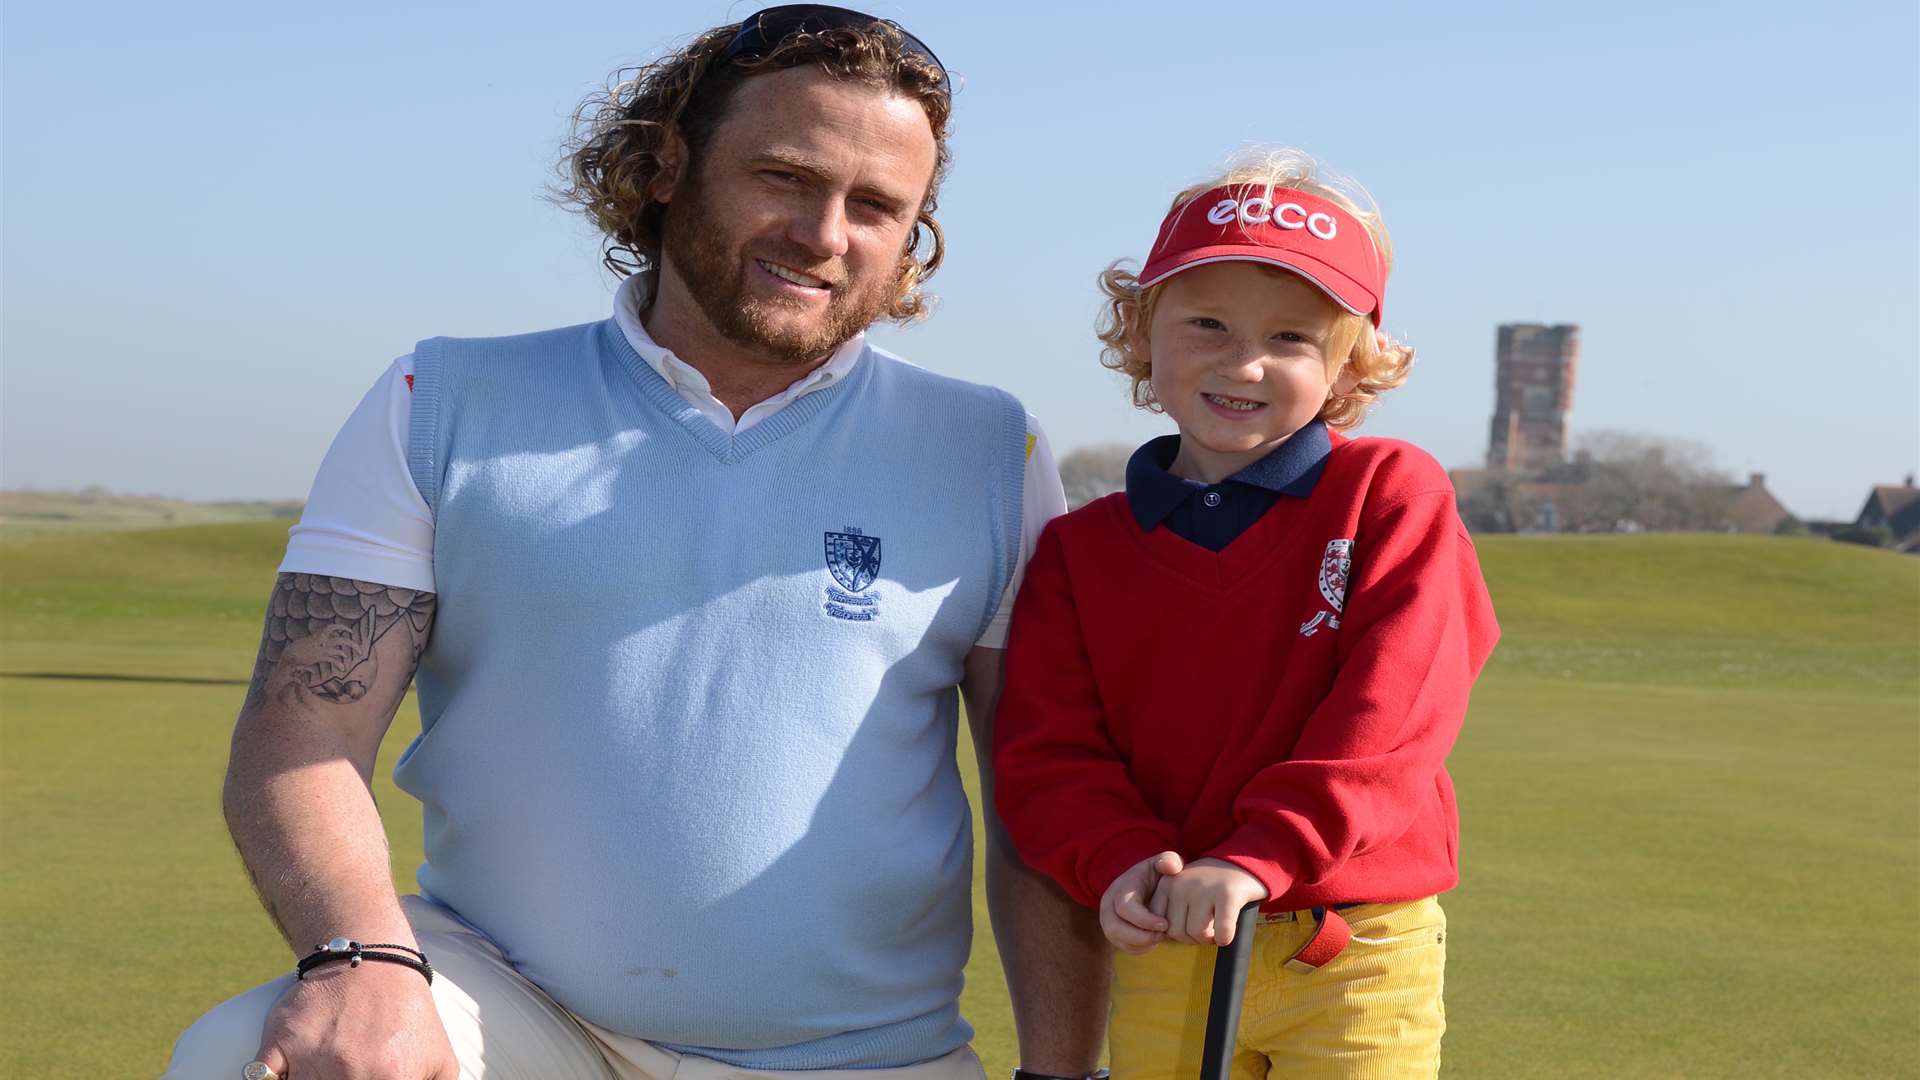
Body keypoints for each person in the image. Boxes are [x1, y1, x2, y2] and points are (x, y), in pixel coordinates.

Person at [165, 8, 1112, 1079]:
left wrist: (1065, 1070)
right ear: (668, 164)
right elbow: (301, 741)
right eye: (786, 177)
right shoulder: (442, 399)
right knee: (239, 1057)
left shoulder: (992, 448)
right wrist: (361, 960)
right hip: (513, 1009)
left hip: (869, 1055)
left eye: (876, 206)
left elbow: (1044, 798)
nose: (825, 233)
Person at [991, 148, 1500, 1079]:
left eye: (1294, 339)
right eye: (1208, 323)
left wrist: (1265, 854)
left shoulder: (1390, 494)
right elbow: (1049, 750)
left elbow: (1395, 717)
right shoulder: (1079, 548)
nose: (1245, 363)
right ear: (1143, 330)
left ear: (1351, 359)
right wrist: (1120, 859)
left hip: (1354, 952)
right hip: (1170, 939)